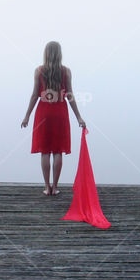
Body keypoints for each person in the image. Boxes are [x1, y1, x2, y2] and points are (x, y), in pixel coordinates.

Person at [21, 41, 86, 196]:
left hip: (43, 112)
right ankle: (55, 187)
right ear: (59, 54)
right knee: (58, 151)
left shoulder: (39, 71)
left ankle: (47, 187)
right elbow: (70, 95)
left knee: (45, 151)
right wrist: (79, 117)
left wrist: (27, 116)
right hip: (60, 113)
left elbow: (34, 95)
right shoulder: (66, 71)